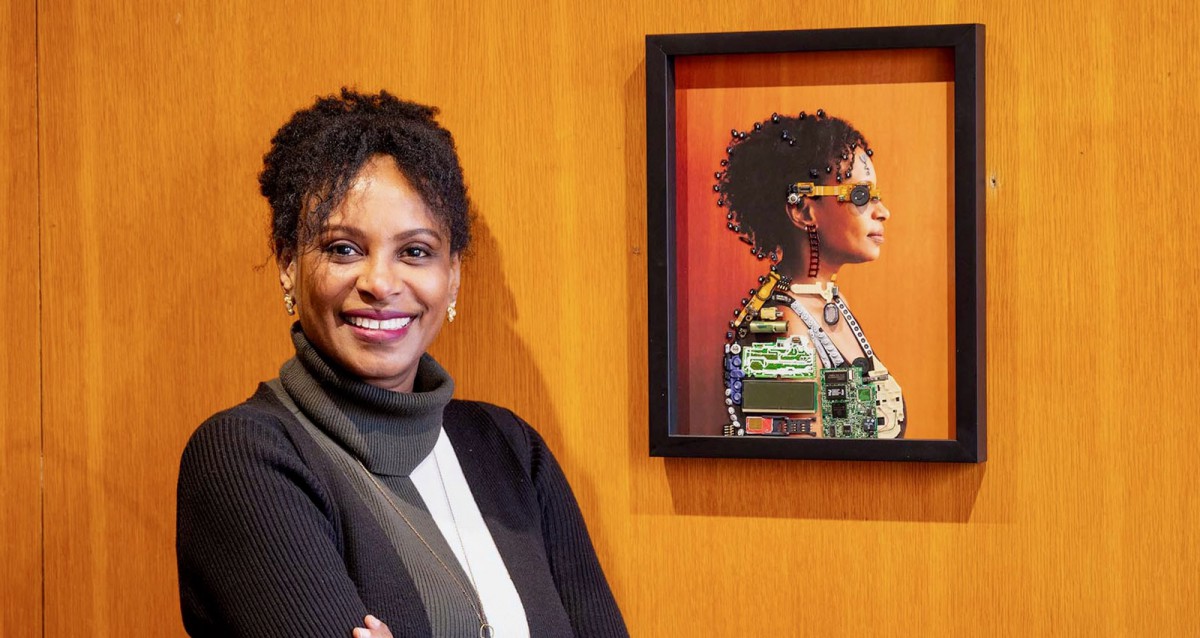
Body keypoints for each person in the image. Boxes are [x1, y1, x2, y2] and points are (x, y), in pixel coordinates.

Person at [176, 89, 628, 637]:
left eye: (415, 251)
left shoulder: (510, 448)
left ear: (453, 275)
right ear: (290, 265)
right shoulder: (245, 458)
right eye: (343, 248)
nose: (381, 283)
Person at [717, 110, 906, 438]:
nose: (883, 211)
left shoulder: (825, 301)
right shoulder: (778, 331)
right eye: (860, 195)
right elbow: (798, 468)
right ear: (804, 210)